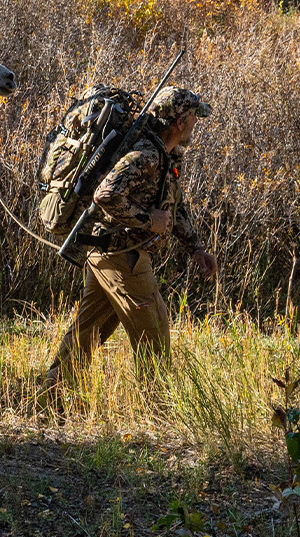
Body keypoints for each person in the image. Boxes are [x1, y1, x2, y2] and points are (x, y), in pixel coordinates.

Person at [41, 86, 217, 391]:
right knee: (154, 331)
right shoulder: (146, 155)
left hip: (109, 253)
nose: (195, 125)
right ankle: (158, 410)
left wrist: (195, 248)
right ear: (180, 122)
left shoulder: (167, 154)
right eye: (193, 119)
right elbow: (106, 195)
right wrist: (150, 221)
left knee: (89, 332)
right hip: (121, 256)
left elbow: (173, 205)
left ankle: (49, 392)